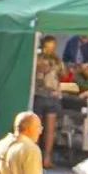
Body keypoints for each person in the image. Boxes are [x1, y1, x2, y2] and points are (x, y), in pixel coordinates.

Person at [32, 36, 66, 167]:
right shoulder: (38, 58)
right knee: (37, 128)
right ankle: (36, 156)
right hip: (40, 94)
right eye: (48, 47)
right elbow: (36, 75)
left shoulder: (57, 59)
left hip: (53, 96)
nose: (51, 49)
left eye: (53, 47)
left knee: (50, 129)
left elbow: (63, 73)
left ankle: (46, 158)